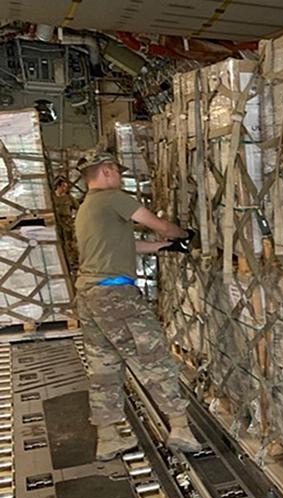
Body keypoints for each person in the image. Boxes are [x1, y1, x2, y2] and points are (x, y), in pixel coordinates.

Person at [74, 150, 202, 461]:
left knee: (104, 367)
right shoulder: (113, 197)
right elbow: (157, 224)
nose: (119, 176)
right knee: (152, 355)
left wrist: (164, 248)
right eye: (116, 171)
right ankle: (181, 427)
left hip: (89, 296)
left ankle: (107, 438)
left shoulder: (87, 209)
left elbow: (128, 246)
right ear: (106, 171)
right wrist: (183, 234)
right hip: (115, 298)